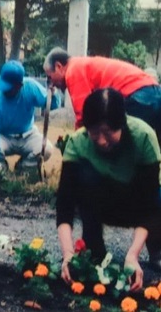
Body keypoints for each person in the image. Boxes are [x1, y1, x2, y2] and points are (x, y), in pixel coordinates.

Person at [56, 88, 161, 291]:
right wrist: (68, 254)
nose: (102, 141)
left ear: (122, 124)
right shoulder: (78, 142)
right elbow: (65, 204)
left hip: (137, 203)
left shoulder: (144, 137)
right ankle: (94, 250)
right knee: (85, 178)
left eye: (108, 133)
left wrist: (132, 255)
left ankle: (156, 248)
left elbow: (149, 204)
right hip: (103, 202)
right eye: (95, 133)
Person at [43, 47, 161, 142]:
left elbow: (84, 116)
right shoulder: (82, 64)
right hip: (153, 90)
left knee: (122, 146)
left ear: (59, 66)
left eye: (50, 77)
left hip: (137, 94)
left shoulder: (73, 71)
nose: (51, 84)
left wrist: (75, 145)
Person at [0, 60, 59, 180]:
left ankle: (23, 168)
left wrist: (53, 94)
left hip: (28, 135)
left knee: (47, 149)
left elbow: (51, 105)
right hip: (5, 137)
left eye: (8, 87)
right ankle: (1, 171)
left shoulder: (30, 87)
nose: (4, 90)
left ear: (19, 85)